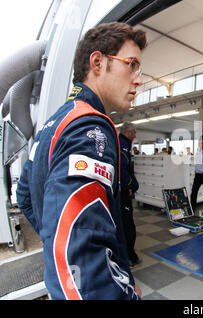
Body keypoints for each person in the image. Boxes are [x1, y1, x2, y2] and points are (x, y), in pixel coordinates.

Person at [16, 22, 146, 300]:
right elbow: (79, 246)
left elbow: (25, 195)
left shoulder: (57, 121)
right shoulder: (90, 128)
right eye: (131, 64)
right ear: (98, 62)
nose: (139, 79)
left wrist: (54, 241)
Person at [119, 122, 141, 267]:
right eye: (134, 133)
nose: (135, 135)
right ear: (129, 132)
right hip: (122, 192)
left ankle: (127, 255)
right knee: (127, 226)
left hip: (121, 190)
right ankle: (129, 257)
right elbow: (122, 169)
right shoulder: (122, 146)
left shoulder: (122, 144)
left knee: (123, 224)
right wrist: (129, 186)